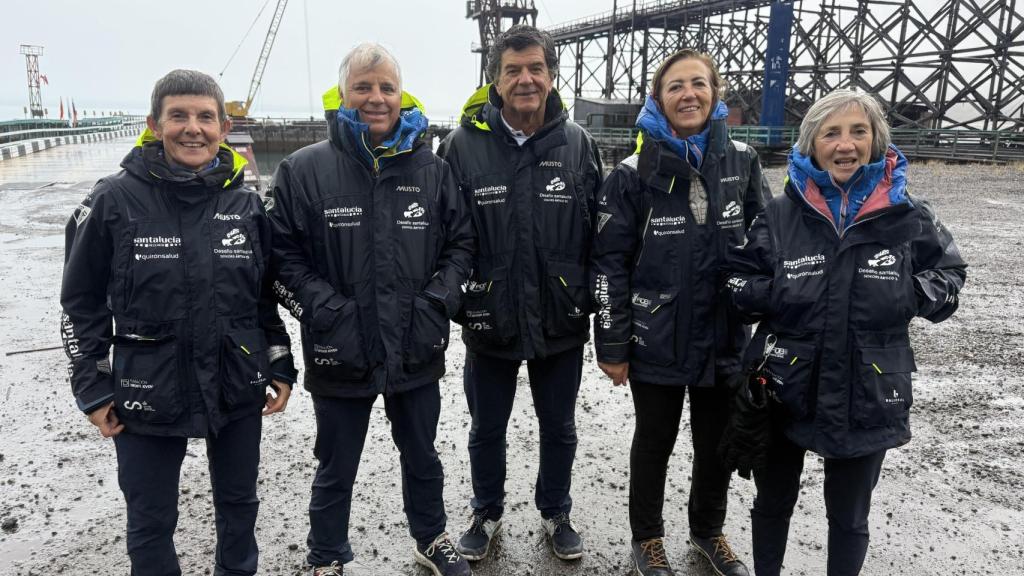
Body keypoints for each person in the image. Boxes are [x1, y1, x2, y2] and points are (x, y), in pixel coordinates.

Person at [60, 69, 296, 576]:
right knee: (150, 520)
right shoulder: (112, 200)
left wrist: (280, 362)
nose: (193, 128)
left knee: (239, 508)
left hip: (235, 380)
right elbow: (79, 302)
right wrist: (94, 387)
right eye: (179, 116)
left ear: (224, 125)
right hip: (147, 387)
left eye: (205, 117)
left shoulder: (247, 203)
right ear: (154, 124)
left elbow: (261, 296)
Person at [725, 88, 966, 575]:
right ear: (811, 143)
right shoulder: (780, 213)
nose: (845, 144)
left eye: (859, 131)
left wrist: (908, 294)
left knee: (850, 517)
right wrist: (775, 295)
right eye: (831, 133)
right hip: (783, 383)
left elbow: (952, 275)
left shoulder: (908, 215)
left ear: (877, 140)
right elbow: (736, 278)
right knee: (771, 505)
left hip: (869, 386)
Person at [267, 43, 474, 576]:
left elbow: (462, 245)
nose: (376, 97)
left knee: (422, 455)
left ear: (401, 95)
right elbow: (282, 257)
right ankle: (326, 554)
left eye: (386, 87)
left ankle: (430, 537)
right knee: (336, 464)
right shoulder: (302, 170)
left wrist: (437, 303)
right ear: (344, 95)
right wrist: (324, 310)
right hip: (340, 345)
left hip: (415, 343)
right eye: (363, 86)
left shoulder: (433, 168)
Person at [590, 49, 769, 576]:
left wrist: (759, 312)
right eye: (675, 86)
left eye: (698, 84)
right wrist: (613, 345)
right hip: (657, 337)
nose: (688, 94)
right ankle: (647, 539)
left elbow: (765, 242)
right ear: (658, 99)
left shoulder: (743, 160)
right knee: (654, 442)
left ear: (715, 92)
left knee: (716, 443)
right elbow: (609, 264)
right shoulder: (630, 172)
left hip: (724, 335)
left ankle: (708, 532)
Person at [436, 24, 603, 563]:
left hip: (561, 317)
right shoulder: (461, 147)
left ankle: (556, 512)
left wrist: (594, 305)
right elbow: (444, 236)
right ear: (496, 80)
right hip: (491, 317)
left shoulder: (579, 144)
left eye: (536, 68)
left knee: (560, 427)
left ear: (552, 77)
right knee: (487, 427)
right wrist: (460, 301)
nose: (526, 79)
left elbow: (599, 235)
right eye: (513, 70)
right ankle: (486, 511)